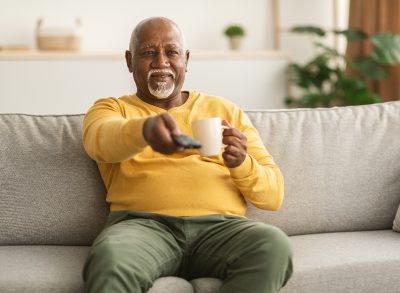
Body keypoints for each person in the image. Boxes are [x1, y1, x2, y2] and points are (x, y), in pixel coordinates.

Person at [82, 17, 292, 293]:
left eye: (171, 52)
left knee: (273, 245)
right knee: (109, 258)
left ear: (186, 59)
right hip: (143, 228)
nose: (161, 62)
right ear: (129, 60)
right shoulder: (111, 109)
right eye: (148, 53)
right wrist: (146, 130)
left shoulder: (225, 110)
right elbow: (101, 141)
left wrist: (242, 163)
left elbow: (273, 195)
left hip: (220, 230)